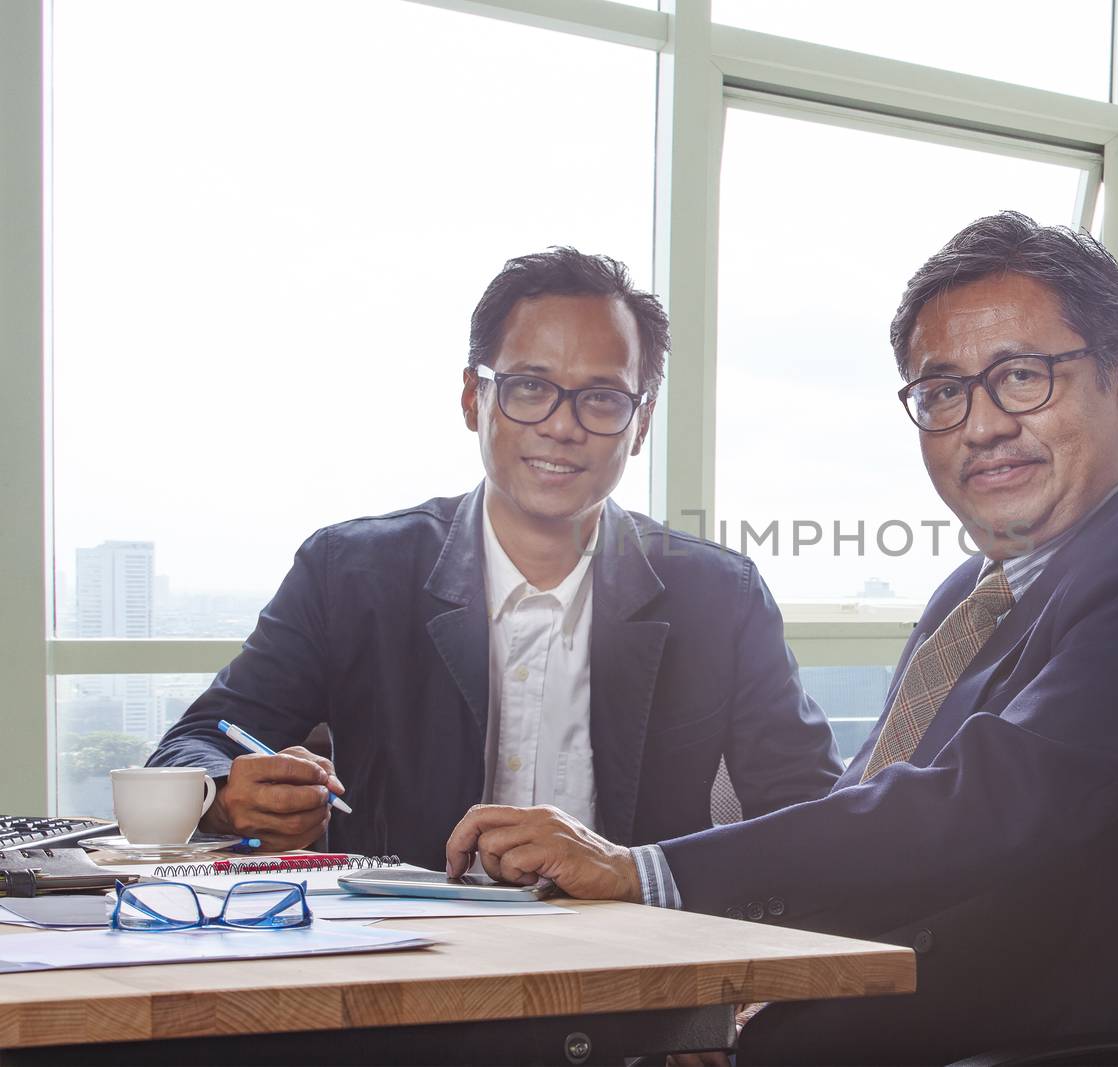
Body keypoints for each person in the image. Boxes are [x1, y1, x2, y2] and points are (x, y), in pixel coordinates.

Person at [443, 214, 1118, 1063]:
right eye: (944, 391)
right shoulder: (974, 595)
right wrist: (725, 1004)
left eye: (1022, 376)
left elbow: (977, 808)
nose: (980, 425)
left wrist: (649, 872)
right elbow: (862, 814)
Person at [150, 247, 841, 863]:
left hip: (639, 973)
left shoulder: (720, 595)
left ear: (640, 425)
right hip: (401, 974)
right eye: (530, 388)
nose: (563, 426)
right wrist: (220, 798)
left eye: (602, 398)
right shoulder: (349, 573)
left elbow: (812, 809)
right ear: (473, 399)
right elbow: (194, 745)